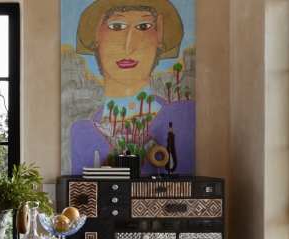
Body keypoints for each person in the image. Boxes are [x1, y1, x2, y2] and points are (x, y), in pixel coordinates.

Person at [68, 0, 195, 175]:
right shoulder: (83, 131)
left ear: (159, 35)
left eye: (144, 26)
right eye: (116, 26)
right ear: (96, 36)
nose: (129, 46)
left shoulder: (181, 116)